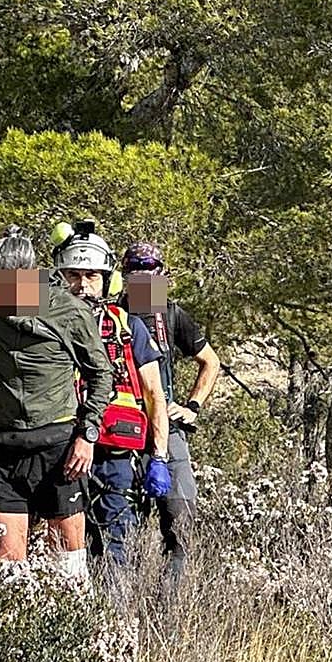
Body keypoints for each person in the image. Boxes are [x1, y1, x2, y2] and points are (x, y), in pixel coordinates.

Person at [0, 228, 115, 583]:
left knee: (69, 572)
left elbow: (102, 374)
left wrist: (87, 435)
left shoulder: (67, 310)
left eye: (14, 285)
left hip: (59, 449)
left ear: (31, 277)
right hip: (4, 448)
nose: (6, 294)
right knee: (4, 576)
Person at [50, 220, 171, 567]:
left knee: (117, 548)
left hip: (117, 456)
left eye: (92, 276)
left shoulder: (127, 325)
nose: (82, 285)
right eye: (73, 275)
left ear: (108, 280)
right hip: (63, 454)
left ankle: (117, 619)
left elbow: (154, 395)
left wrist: (159, 458)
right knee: (68, 550)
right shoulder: (43, 319)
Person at [120, 240, 220, 582]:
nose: (144, 282)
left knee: (181, 523)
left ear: (162, 276)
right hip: (121, 433)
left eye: (150, 274)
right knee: (118, 529)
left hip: (170, 432)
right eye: (136, 274)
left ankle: (172, 608)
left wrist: (192, 407)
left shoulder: (172, 313)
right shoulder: (113, 313)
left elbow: (210, 361)